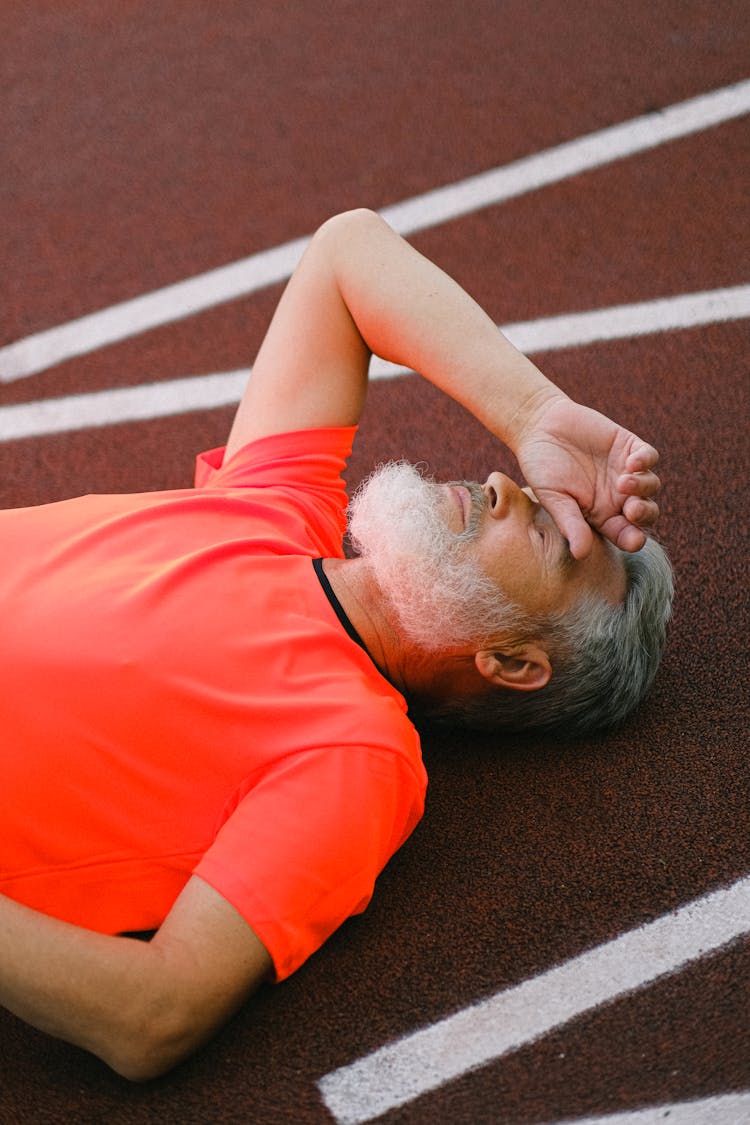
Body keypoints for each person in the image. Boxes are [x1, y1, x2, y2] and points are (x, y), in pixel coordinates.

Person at [0, 209, 672, 1080]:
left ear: (511, 661)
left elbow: (153, 1013)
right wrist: (535, 411)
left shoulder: (352, 756)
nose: (506, 483)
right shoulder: (278, 510)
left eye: (546, 532)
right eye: (532, 483)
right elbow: (348, 252)